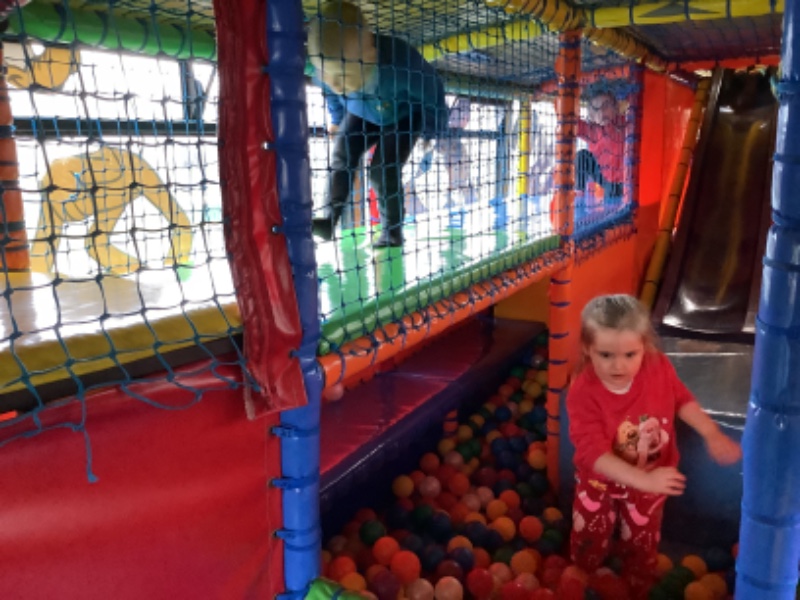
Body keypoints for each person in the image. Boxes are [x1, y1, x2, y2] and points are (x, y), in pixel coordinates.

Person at [567, 294, 741, 598]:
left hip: (650, 478)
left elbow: (681, 399)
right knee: (589, 534)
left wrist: (711, 432)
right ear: (587, 348)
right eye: (605, 355)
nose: (618, 365)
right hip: (599, 481)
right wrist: (644, 479)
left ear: (645, 346)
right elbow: (593, 453)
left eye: (630, 354)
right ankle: (584, 578)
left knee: (642, 541)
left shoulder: (656, 366)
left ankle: (637, 586)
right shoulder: (584, 391)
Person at [308, 0, 448, 247]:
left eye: (343, 76)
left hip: (403, 114)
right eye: (327, 76)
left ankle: (392, 232)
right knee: (342, 154)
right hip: (362, 111)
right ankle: (329, 220)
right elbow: (331, 92)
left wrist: (432, 131)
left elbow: (432, 91)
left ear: (370, 56)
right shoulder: (328, 71)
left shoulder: (400, 65)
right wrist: (337, 121)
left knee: (383, 170)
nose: (337, 84)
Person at [575, 87, 625, 204]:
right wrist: (575, 92)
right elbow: (570, 121)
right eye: (596, 109)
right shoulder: (591, 130)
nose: (602, 112)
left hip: (625, 180)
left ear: (615, 108)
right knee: (582, 156)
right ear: (591, 115)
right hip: (607, 179)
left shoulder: (623, 123)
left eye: (606, 106)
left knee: (613, 204)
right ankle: (579, 195)